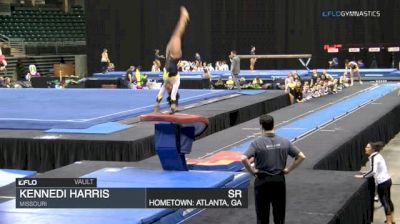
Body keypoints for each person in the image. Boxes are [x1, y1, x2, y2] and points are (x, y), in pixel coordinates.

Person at [242, 114, 306, 224]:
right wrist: (288, 169)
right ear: (273, 125)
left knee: (262, 216)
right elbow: (301, 156)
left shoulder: (256, 143)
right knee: (279, 215)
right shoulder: (285, 141)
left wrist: (252, 171)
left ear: (261, 126)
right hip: (279, 180)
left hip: (262, 180)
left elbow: (244, 158)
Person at [155, 6, 189, 113]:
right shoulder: (175, 83)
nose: (168, 88)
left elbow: (160, 94)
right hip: (175, 57)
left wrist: (157, 106)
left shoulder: (165, 84)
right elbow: (173, 94)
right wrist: (173, 106)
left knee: (172, 39)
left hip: (170, 56)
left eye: (167, 88)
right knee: (177, 34)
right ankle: (184, 18)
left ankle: (184, 18)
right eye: (169, 88)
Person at [355, 142, 395, 224]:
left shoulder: (374, 157)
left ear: (372, 149)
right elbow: (375, 169)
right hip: (387, 180)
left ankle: (389, 222)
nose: (365, 148)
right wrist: (365, 172)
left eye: (367, 147)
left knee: (384, 202)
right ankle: (392, 219)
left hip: (382, 183)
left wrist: (363, 176)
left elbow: (373, 171)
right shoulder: (377, 155)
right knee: (388, 200)